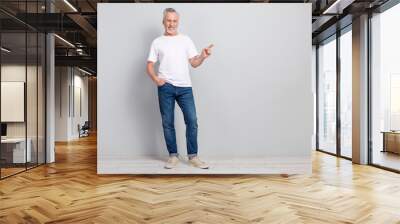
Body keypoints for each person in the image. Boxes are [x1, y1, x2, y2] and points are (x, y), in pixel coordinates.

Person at [146, 8, 213, 169]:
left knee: (192, 121)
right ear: (164, 22)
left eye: (174, 21)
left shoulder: (186, 40)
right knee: (167, 122)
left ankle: (193, 156)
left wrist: (203, 56)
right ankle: (173, 156)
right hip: (166, 87)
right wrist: (156, 79)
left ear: (178, 22)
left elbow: (194, 63)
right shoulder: (157, 42)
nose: (171, 24)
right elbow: (149, 65)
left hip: (185, 88)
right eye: (168, 20)